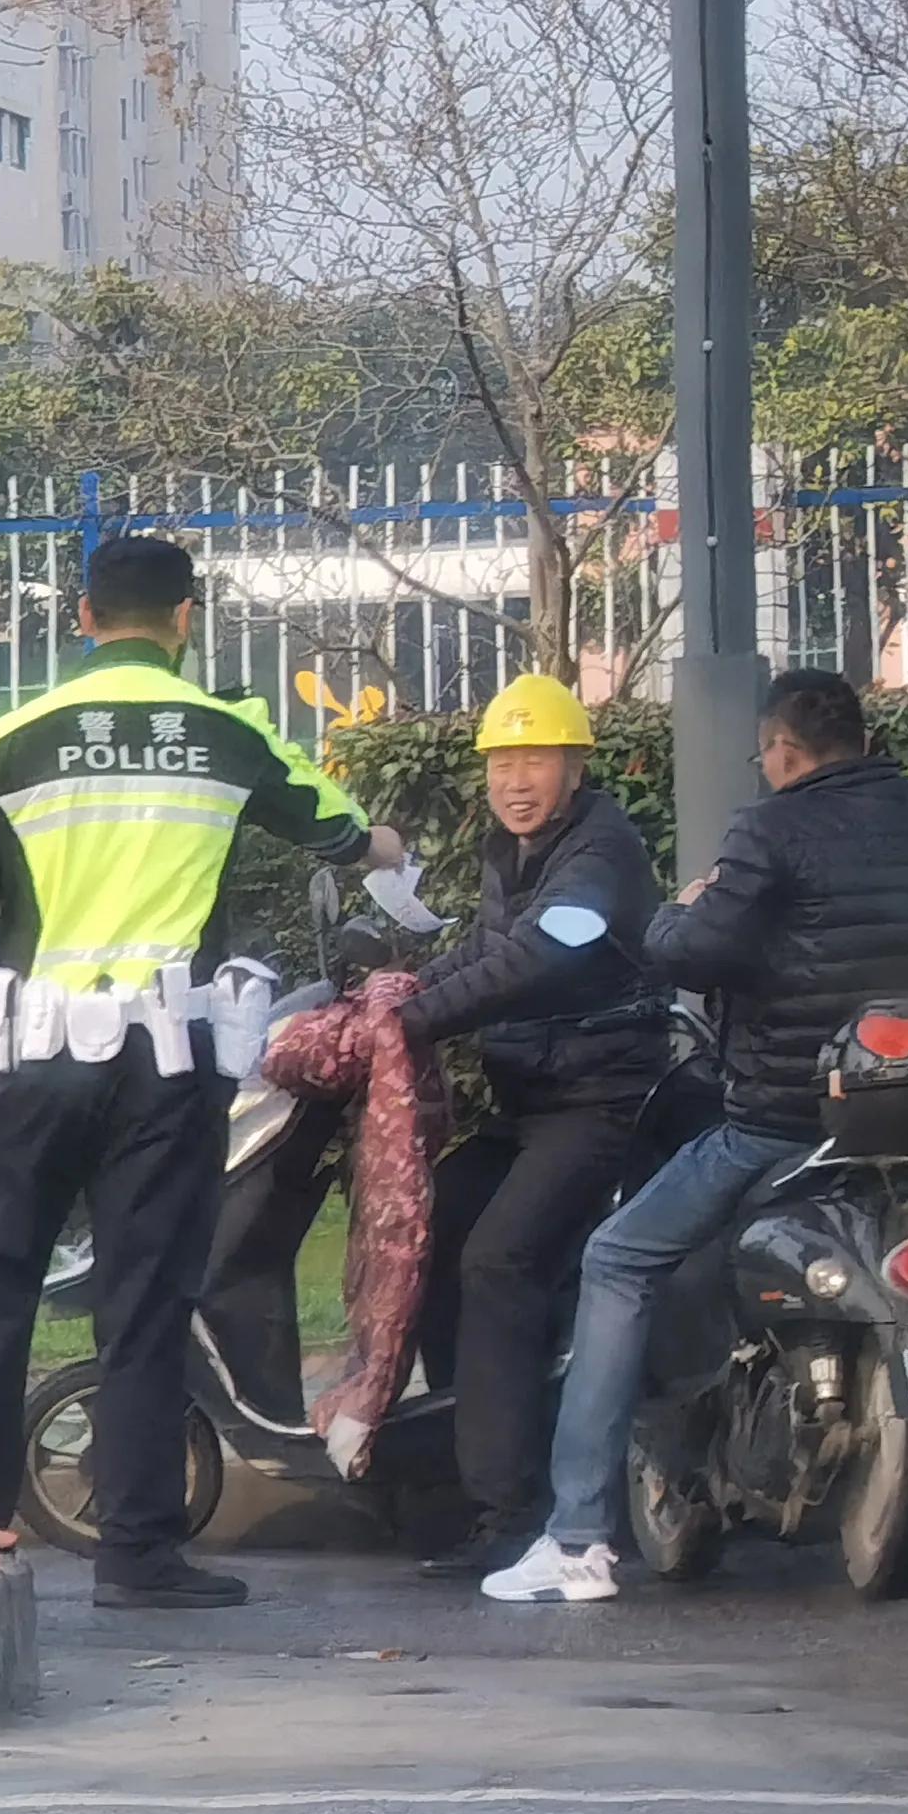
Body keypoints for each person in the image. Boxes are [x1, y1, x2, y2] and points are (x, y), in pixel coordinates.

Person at [0, 532, 404, 1611]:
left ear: (83, 618)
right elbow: (339, 829)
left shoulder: (14, 736)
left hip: (30, 1050)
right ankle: (137, 1551)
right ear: (187, 620)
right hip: (166, 1062)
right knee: (145, 1300)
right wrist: (386, 851)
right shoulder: (227, 736)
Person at [482, 668, 908, 1604]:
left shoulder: (768, 827)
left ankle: (576, 1536)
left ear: (781, 751)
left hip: (785, 1112)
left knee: (619, 1259)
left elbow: (689, 950)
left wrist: (684, 906)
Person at [399, 670, 677, 1573]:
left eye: (536, 759)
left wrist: (412, 1021)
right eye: (502, 761)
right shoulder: (510, 851)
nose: (516, 780)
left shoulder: (601, 857)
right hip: (531, 1102)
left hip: (599, 1102)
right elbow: (483, 952)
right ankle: (468, 1463)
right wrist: (391, 999)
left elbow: (532, 961)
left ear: (576, 766)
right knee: (431, 1226)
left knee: (500, 1259)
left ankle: (513, 1510)